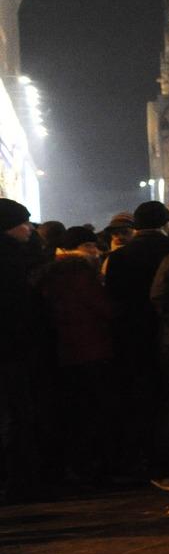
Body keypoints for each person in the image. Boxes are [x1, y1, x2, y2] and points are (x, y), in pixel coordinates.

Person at [102, 200, 169, 479]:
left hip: (133, 335)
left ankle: (142, 458)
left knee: (140, 397)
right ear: (165, 222)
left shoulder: (120, 257)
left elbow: (113, 298)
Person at [33, 227, 115, 485]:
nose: (96, 250)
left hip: (62, 352)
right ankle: (92, 468)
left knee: (72, 411)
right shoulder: (79, 274)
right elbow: (102, 308)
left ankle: (73, 466)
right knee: (93, 410)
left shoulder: (48, 272)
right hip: (90, 348)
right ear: (81, 247)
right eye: (91, 245)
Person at [0, 199, 46, 500]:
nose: (29, 228)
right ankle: (17, 482)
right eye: (23, 223)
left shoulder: (16, 256)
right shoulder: (9, 262)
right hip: (10, 351)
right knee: (16, 416)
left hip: (14, 350)